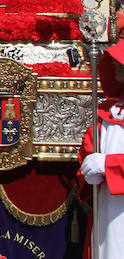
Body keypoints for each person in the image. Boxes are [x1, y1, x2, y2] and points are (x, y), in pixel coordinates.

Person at [79, 41, 124, 258]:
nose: (117, 67)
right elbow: (88, 153)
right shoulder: (107, 114)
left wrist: (108, 165)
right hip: (108, 206)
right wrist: (88, 172)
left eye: (121, 64)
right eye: (115, 62)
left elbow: (102, 162)